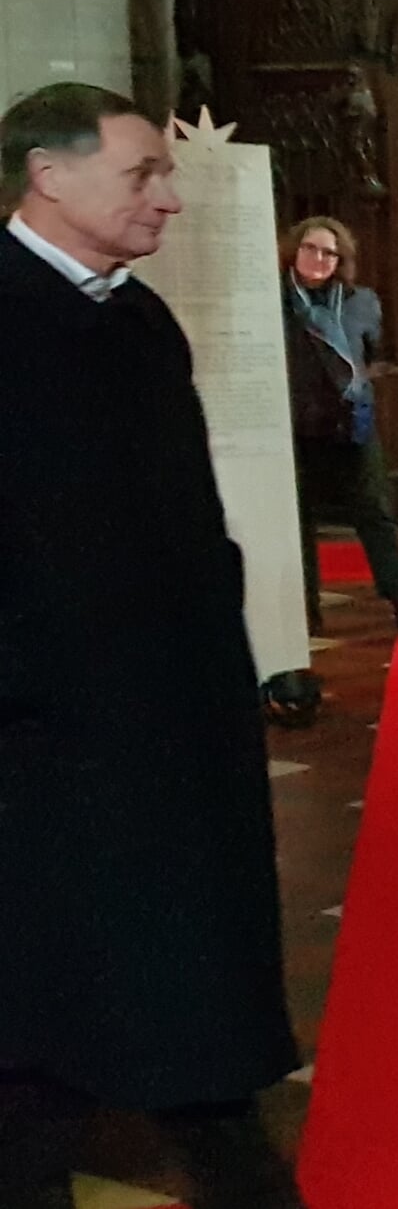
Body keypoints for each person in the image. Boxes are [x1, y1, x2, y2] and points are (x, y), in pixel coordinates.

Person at [0, 83, 305, 1207]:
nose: (170, 199)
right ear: (48, 173)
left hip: (171, 722)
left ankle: (231, 1156)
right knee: (40, 1019)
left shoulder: (137, 318)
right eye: (144, 174)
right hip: (47, 747)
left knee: (185, 979)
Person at [281, 215, 398, 635]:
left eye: (329, 252)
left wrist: (360, 385)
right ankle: (305, 611)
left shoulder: (361, 301)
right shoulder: (273, 299)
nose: (319, 258)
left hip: (351, 421)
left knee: (376, 511)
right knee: (297, 521)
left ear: (342, 259)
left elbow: (371, 353)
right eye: (311, 249)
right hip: (296, 424)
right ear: (294, 251)